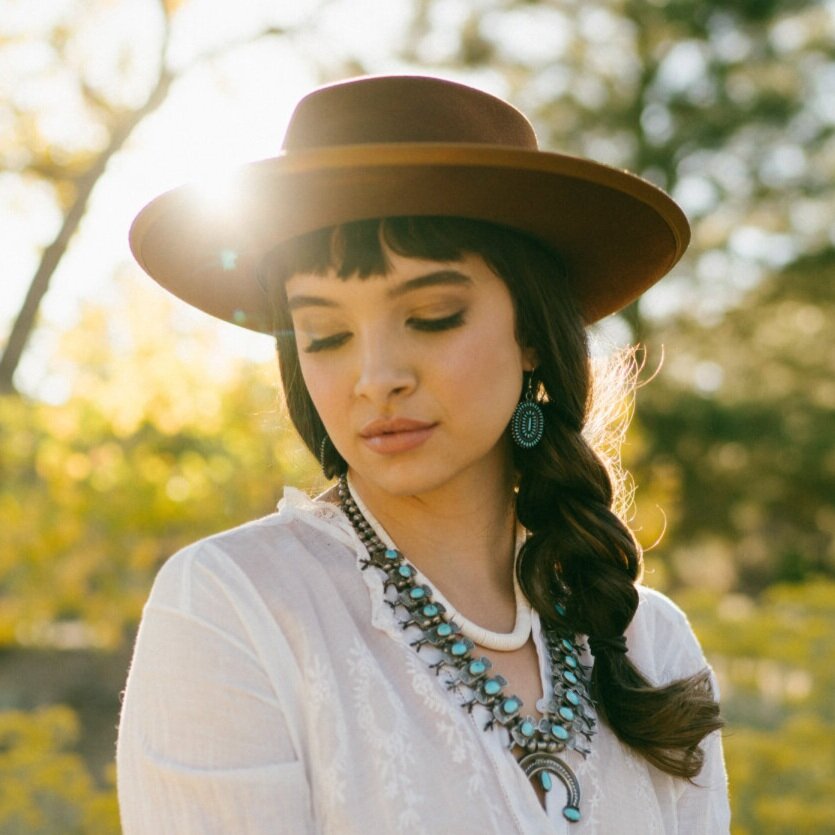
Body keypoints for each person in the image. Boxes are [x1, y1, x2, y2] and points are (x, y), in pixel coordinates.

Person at [117, 75, 730, 834]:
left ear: (532, 333)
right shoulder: (235, 607)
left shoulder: (650, 644)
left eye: (433, 316)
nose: (376, 378)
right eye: (326, 335)